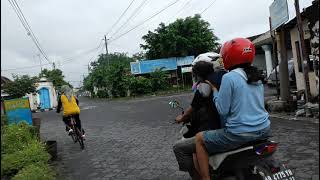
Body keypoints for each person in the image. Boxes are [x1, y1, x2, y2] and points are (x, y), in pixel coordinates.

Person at [194, 38, 271, 180]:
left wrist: (215, 91)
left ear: (228, 56)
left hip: (240, 133)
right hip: (264, 129)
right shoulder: (257, 76)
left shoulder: (229, 77)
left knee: (199, 139)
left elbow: (222, 110)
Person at [173, 53, 227, 180]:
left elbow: (190, 110)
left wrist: (181, 118)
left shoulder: (204, 87)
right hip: (237, 127)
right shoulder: (227, 79)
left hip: (217, 130)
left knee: (180, 148)